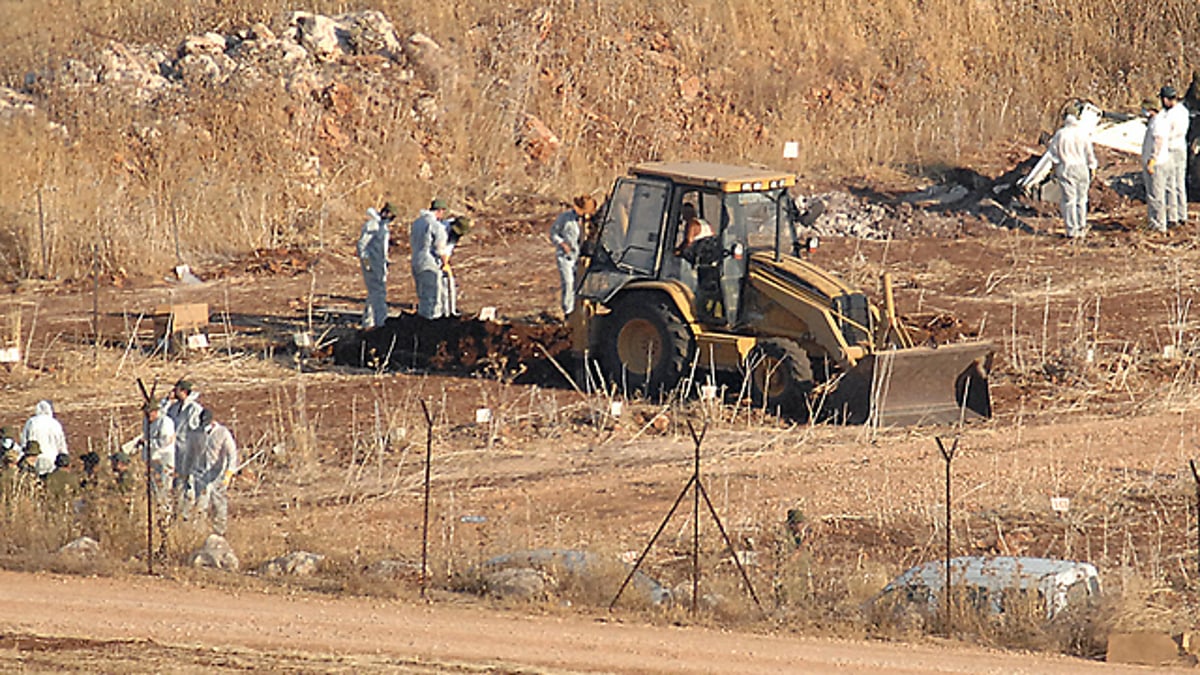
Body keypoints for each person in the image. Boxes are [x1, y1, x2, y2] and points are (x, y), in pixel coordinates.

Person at [1044, 103, 1097, 239]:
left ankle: (1071, 231)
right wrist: (1092, 166)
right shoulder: (1083, 133)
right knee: (1082, 199)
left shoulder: (1060, 134)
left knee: (1069, 201)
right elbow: (1089, 152)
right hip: (1082, 167)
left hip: (1066, 167)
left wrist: (1056, 164)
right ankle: (1082, 227)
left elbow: (1052, 153)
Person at [190, 409, 238, 535]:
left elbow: (232, 453)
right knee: (201, 503)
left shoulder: (222, 433)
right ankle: (198, 533)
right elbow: (191, 452)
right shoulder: (197, 433)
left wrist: (229, 473)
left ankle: (220, 531)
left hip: (217, 473)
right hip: (201, 473)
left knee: (219, 502)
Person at [549, 195, 596, 317]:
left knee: (578, 285)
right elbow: (553, 233)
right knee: (568, 283)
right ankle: (567, 312)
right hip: (565, 257)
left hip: (579, 258)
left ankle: (577, 314)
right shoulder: (565, 218)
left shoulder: (589, 222)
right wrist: (562, 243)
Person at [164, 379, 203, 505]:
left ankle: (187, 512)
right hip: (175, 450)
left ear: (184, 391)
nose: (174, 392)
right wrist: (166, 401)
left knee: (187, 481)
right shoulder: (174, 408)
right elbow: (161, 417)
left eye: (177, 389)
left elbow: (195, 430)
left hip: (187, 450)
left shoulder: (194, 409)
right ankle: (178, 510)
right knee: (176, 482)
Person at [357, 202, 396, 329]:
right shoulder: (373, 225)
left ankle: (368, 321)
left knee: (374, 292)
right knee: (378, 293)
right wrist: (367, 264)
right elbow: (362, 246)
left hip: (379, 264)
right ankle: (381, 321)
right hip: (372, 264)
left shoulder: (382, 227)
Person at [411, 198, 451, 319]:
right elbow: (440, 249)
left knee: (422, 296)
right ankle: (431, 325)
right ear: (439, 211)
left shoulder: (417, 223)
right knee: (433, 298)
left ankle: (422, 323)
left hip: (416, 261)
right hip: (429, 264)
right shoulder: (436, 226)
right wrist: (445, 263)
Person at [1161, 86, 1191, 227]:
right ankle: (1182, 214)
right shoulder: (1183, 111)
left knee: (1170, 184)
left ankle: (1173, 217)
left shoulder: (1169, 115)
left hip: (1171, 149)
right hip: (1182, 147)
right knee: (1180, 183)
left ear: (1166, 100)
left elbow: (1165, 134)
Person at [1142, 97, 1171, 233]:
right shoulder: (1156, 121)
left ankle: (1158, 226)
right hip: (1159, 162)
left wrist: (1152, 160)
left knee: (1155, 196)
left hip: (1156, 164)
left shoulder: (1158, 123)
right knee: (1155, 194)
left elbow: (1158, 141)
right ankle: (1155, 223)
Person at [139, 400, 176, 503]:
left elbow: (165, 442)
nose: (147, 415)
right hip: (151, 459)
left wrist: (148, 443)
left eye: (149, 412)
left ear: (155, 411)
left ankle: (165, 513)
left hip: (164, 459)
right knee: (153, 490)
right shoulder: (147, 422)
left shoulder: (165, 422)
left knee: (164, 488)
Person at [21, 400, 67, 478]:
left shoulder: (31, 422)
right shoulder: (55, 424)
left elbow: (24, 442)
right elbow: (61, 444)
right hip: (52, 459)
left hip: (34, 458)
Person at [439, 215, 473, 317]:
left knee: (450, 283)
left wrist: (446, 263)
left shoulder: (454, 234)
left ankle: (452, 310)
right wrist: (444, 264)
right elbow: (441, 249)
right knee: (442, 286)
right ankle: (444, 312)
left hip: (442, 257)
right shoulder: (442, 230)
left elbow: (449, 248)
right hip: (433, 257)